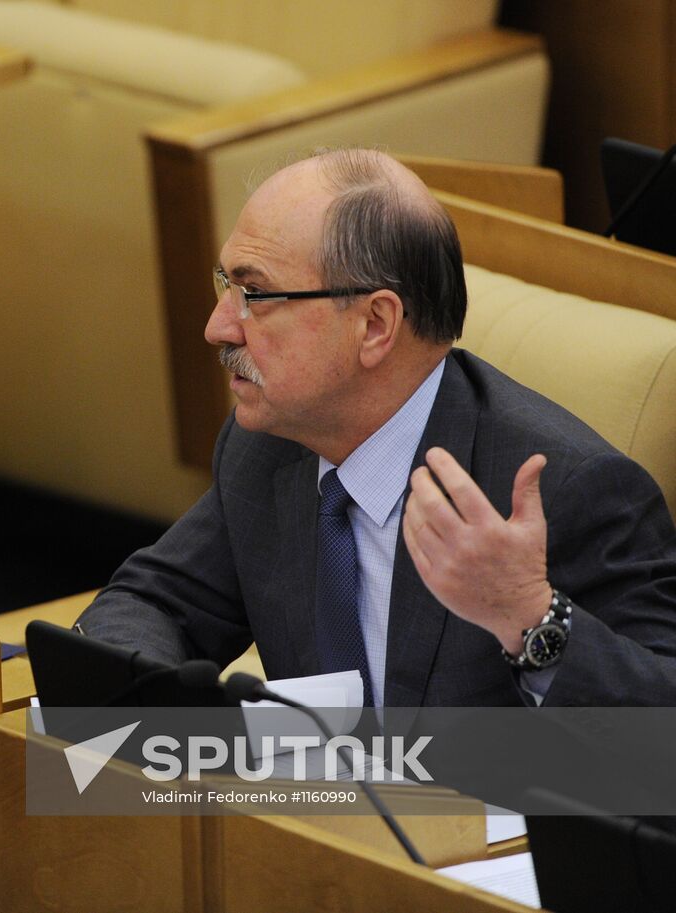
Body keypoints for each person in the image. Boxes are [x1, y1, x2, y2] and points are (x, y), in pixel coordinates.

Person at [76, 149, 676, 707]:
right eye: (226, 285)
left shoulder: (569, 493)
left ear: (375, 325)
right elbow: (157, 602)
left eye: (255, 294)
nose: (218, 327)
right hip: (316, 813)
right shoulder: (268, 445)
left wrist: (528, 616)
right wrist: (155, 719)